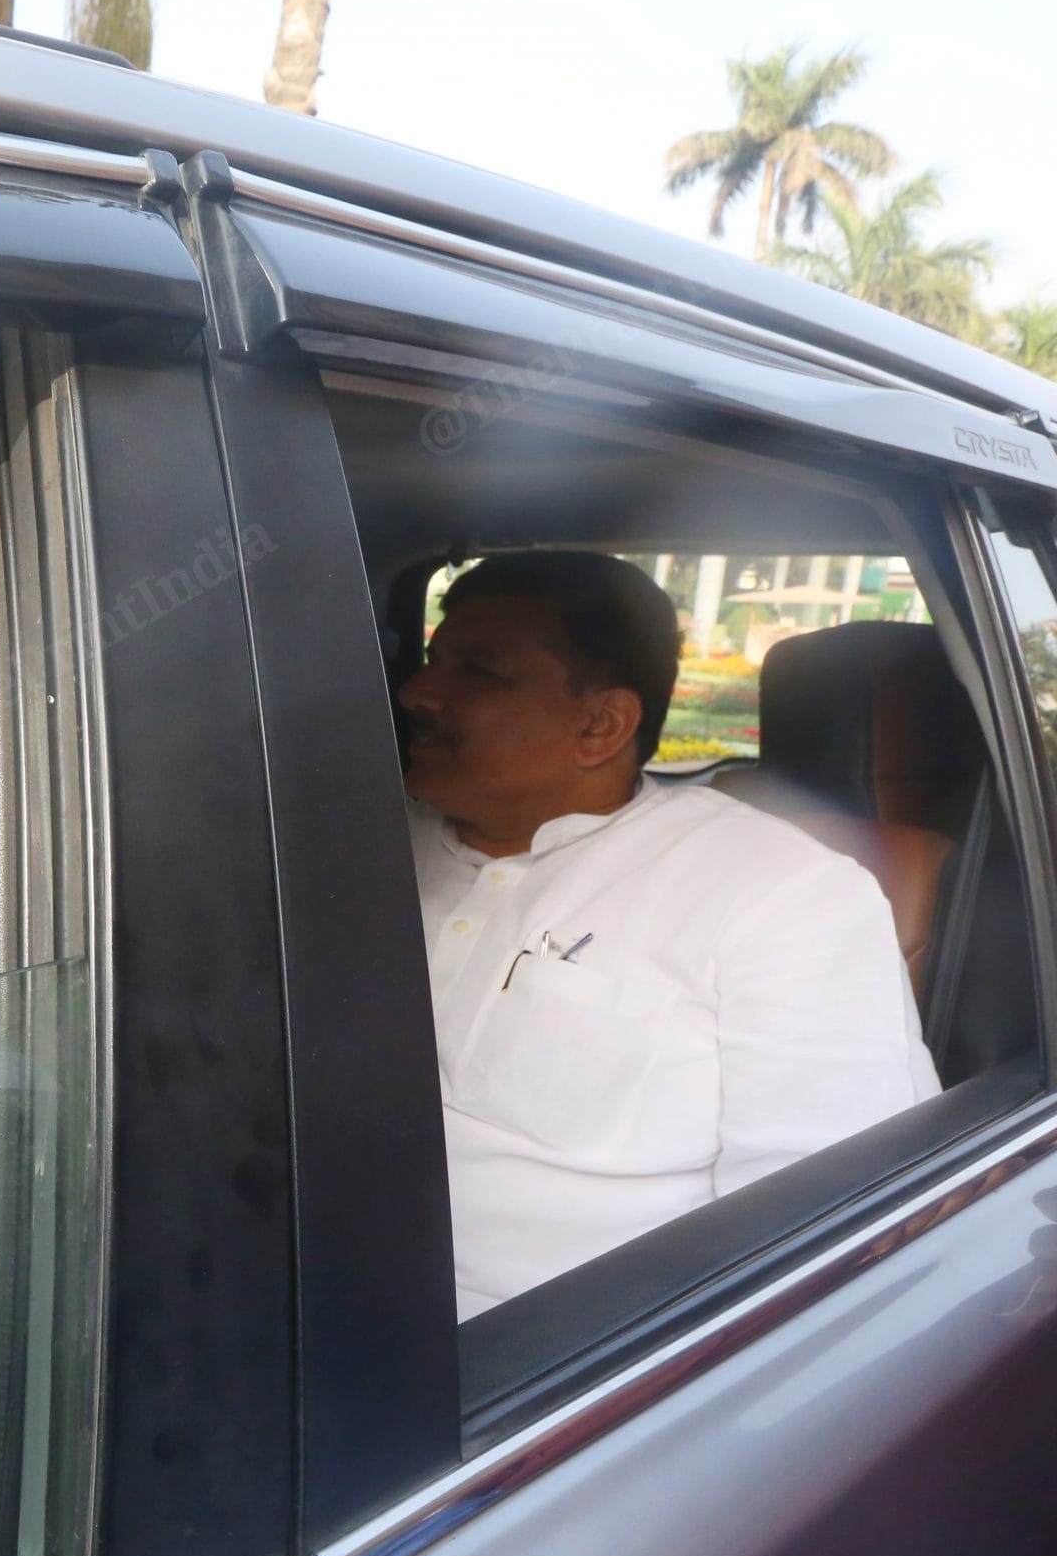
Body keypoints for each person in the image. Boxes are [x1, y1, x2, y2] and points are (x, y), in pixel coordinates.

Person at [400, 551, 939, 1318]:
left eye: (479, 672)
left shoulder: (779, 893)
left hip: (540, 1373)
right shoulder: (360, 840)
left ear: (601, 724)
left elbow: (820, 1240)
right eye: (431, 660)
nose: (416, 691)